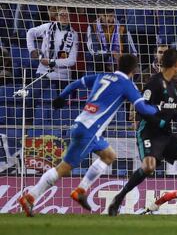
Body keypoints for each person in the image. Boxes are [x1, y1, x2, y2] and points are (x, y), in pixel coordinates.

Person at [18, 54, 159, 217]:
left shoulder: (102, 76)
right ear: (135, 70)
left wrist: (61, 97)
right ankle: (30, 197)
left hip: (83, 125)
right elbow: (143, 109)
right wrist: (158, 110)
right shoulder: (128, 85)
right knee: (64, 168)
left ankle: (81, 190)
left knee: (109, 155)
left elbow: (77, 83)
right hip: (89, 130)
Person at [108, 49, 177, 217]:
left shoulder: (174, 85)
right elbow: (141, 110)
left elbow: (172, 108)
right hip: (149, 132)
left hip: (166, 134)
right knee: (149, 167)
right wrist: (160, 121)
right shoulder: (154, 83)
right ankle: (118, 199)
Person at [27, 6, 78, 90]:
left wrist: (51, 62)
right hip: (44, 71)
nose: (64, 17)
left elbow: (72, 61)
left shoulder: (74, 34)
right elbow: (30, 32)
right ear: (56, 16)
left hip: (63, 75)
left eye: (67, 15)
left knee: (61, 101)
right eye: (62, 15)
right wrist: (31, 49)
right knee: (32, 97)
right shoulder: (48, 27)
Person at [87, 8, 137, 72]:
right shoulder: (93, 27)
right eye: (104, 16)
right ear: (99, 15)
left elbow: (132, 50)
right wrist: (110, 54)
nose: (108, 19)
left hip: (120, 64)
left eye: (110, 16)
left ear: (114, 15)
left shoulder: (122, 27)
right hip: (98, 64)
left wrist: (123, 58)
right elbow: (93, 50)